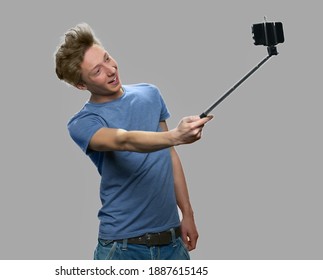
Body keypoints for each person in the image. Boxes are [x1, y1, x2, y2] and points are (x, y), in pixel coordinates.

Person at [55, 23, 213, 260]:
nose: (110, 70)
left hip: (172, 242)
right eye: (96, 71)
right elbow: (123, 140)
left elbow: (169, 155)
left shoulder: (150, 94)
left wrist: (187, 214)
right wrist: (175, 136)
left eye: (107, 58)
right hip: (123, 248)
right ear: (81, 85)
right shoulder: (83, 123)